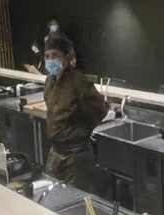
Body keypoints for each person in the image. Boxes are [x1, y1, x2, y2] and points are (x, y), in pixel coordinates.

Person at [42, 36, 112, 190]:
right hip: (55, 153)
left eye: (55, 55)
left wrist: (80, 128)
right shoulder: (49, 81)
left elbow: (98, 109)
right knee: (54, 194)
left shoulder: (78, 80)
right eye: (47, 56)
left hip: (75, 157)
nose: (50, 60)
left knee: (77, 198)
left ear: (66, 57)